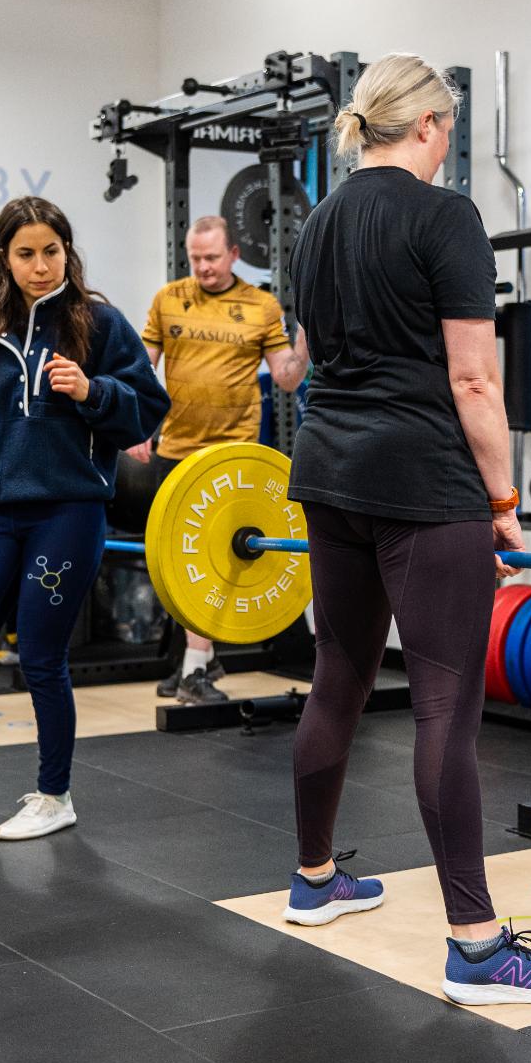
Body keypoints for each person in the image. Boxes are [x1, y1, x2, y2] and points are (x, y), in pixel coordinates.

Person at [283, 54, 531, 1007]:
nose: (449, 142)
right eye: (447, 127)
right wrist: (505, 502)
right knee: (443, 708)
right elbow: (472, 380)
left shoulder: (316, 224)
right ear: (426, 125)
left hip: (327, 476)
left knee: (337, 675)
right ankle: (474, 943)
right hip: (424, 482)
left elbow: (301, 365)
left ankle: (312, 880)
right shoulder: (445, 217)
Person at [0, 196, 169, 841]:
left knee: (41, 656)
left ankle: (55, 796)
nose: (41, 266)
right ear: (4, 258)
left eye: (51, 251)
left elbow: (147, 409)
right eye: (26, 254)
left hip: (67, 513)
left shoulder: (97, 324)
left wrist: (92, 392)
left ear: (66, 252)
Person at [129, 214, 310, 703]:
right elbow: (142, 370)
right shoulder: (168, 299)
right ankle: (198, 661)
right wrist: (138, 424)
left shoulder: (261, 306)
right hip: (177, 452)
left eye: (212, 257)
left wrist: (308, 330)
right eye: (195, 258)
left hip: (232, 460)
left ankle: (194, 669)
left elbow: (288, 378)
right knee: (177, 567)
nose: (204, 267)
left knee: (211, 566)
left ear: (234, 254)